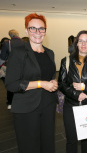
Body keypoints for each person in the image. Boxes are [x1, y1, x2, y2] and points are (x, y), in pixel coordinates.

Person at [5, 13, 58, 153]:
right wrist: (40, 83)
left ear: (45, 31)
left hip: (48, 105)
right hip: (26, 108)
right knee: (30, 146)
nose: (37, 32)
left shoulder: (49, 53)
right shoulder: (19, 52)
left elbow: (49, 74)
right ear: (26, 30)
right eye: (33, 28)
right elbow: (11, 84)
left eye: (41, 28)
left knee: (47, 144)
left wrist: (53, 82)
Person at [58, 30, 87, 153]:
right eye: (80, 41)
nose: (83, 44)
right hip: (71, 105)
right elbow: (61, 84)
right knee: (71, 139)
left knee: (86, 138)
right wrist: (75, 94)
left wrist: (84, 87)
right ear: (76, 44)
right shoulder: (66, 61)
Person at [1, 30, 25, 110]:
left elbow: (3, 57)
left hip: (10, 67)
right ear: (17, 34)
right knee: (22, 82)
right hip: (22, 66)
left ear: (10, 35)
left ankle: (10, 103)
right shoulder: (24, 42)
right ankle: (21, 101)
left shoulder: (7, 43)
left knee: (11, 83)